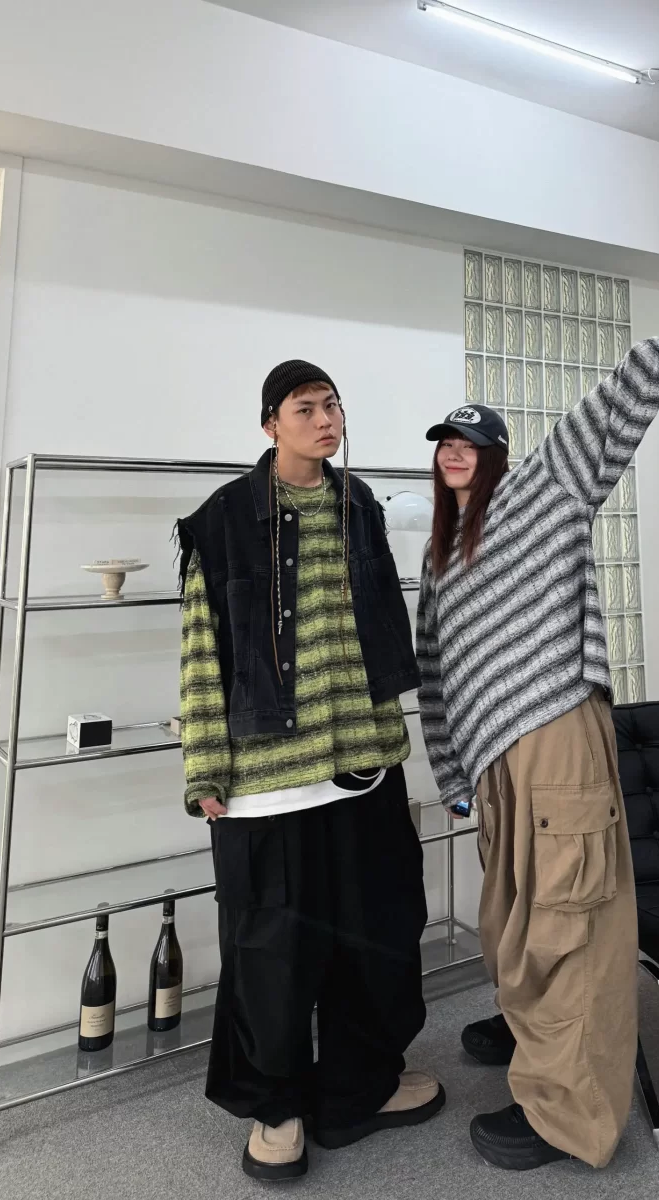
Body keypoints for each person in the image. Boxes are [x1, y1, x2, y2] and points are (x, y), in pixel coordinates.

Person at [416, 335, 659, 1172]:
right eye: (445, 441)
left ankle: (568, 1117)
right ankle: (530, 1029)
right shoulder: (440, 552)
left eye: (471, 441)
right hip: (495, 760)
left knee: (571, 919)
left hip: (556, 734)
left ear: (500, 457)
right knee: (512, 913)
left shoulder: (542, 493)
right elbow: (435, 671)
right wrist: (452, 770)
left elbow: (599, 421)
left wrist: (657, 359)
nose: (454, 451)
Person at [177, 360, 443, 1182]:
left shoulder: (360, 505)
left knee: (376, 938)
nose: (326, 420)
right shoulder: (224, 519)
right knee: (272, 960)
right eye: (305, 408)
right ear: (270, 424)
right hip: (267, 785)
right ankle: (278, 1106)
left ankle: (361, 1086)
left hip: (362, 766)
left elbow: (382, 628)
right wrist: (204, 768)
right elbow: (201, 649)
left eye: (333, 406)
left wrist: (397, 740)